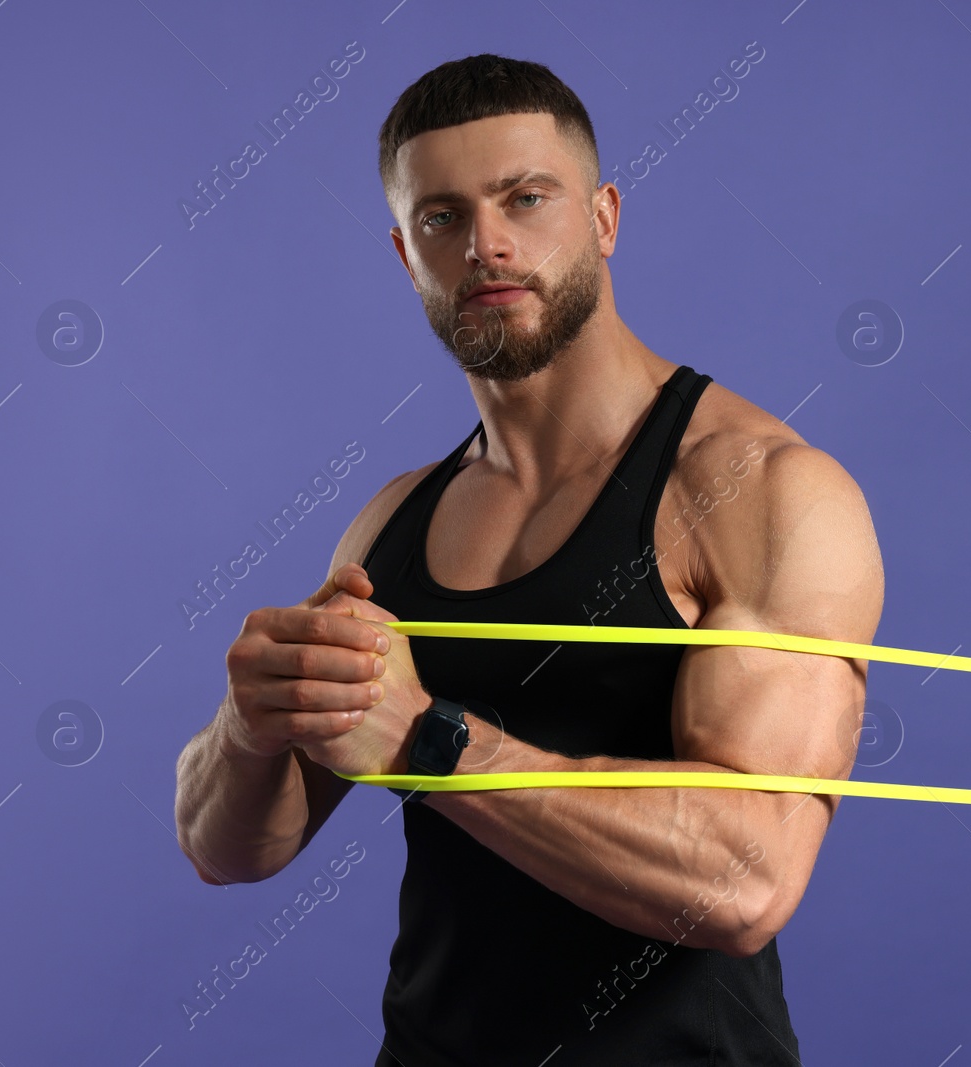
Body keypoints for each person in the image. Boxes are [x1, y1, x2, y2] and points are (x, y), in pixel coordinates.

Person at [174, 53, 884, 1066]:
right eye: (442, 217)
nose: (487, 245)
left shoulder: (759, 489)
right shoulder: (393, 522)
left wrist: (430, 740)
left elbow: (746, 880)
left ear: (602, 219)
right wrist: (243, 728)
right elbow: (230, 850)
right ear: (404, 253)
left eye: (525, 198)